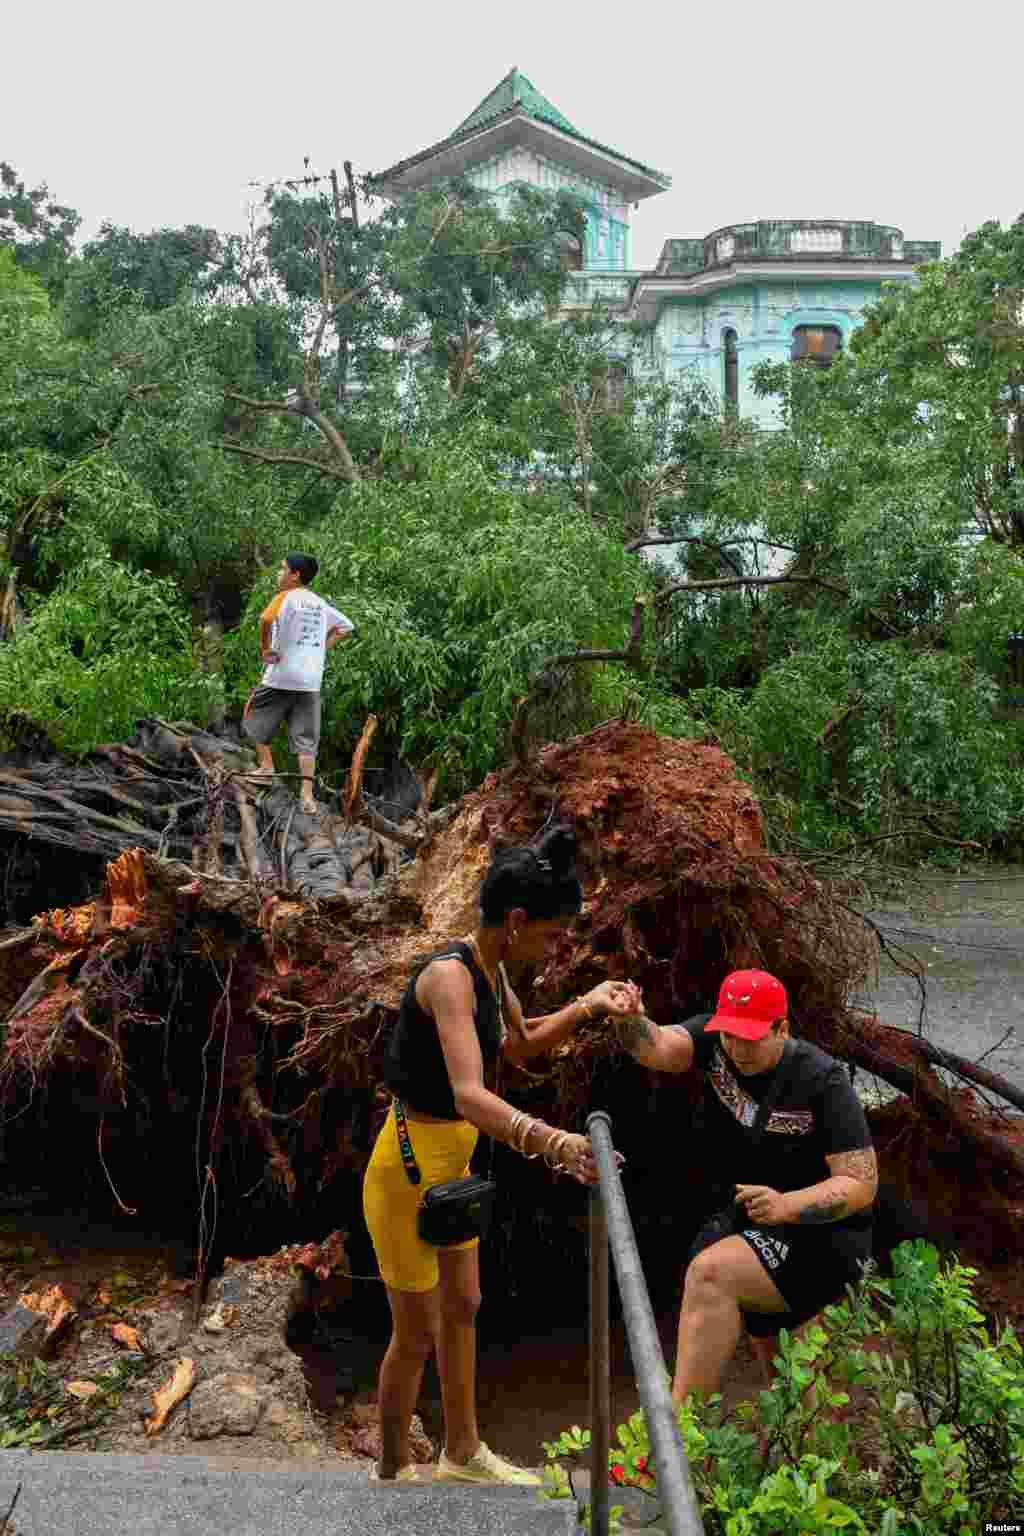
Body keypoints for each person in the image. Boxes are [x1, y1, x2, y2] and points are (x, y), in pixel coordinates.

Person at [362, 825, 640, 1485]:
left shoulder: (494, 972)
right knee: (417, 1336)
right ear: (515, 921)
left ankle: (463, 1453)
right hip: (405, 1171)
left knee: (465, 1306)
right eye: (548, 934)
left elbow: (520, 1044)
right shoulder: (451, 979)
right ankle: (391, 1473)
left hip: (453, 1168)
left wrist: (588, 1005)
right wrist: (552, 1142)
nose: (551, 948)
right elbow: (467, 1094)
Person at [615, 968, 878, 1403]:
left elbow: (860, 1183)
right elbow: (657, 1046)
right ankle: (812, 1462)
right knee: (791, 1387)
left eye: (752, 1038)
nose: (738, 1049)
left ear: (783, 1029)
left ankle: (676, 1441)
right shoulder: (715, 1046)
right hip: (752, 1220)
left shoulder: (822, 1080)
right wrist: (629, 1018)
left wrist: (788, 1205)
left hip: (824, 1238)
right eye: (730, 1036)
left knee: (711, 1274)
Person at [242, 553, 355, 813]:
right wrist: (321, 650)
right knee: (306, 739)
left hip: (281, 674)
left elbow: (266, 619)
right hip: (310, 681)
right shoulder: (319, 603)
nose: (278, 574)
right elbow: (346, 627)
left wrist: (265, 649)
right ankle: (307, 796)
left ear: (295, 575)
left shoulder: (285, 597)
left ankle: (267, 768)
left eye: (282, 569)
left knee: (253, 715)